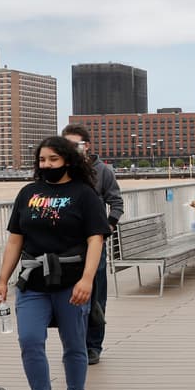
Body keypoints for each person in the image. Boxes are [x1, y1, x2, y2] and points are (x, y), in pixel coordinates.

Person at [0, 136, 110, 390]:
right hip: (33, 282)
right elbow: (15, 240)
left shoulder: (85, 194)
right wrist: (2, 280)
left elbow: (96, 239)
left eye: (53, 160)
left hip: (72, 282)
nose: (46, 165)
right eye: (42, 160)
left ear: (68, 160)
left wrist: (87, 279)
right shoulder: (28, 193)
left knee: (73, 344)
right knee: (30, 340)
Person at [61, 124, 124, 367]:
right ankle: (75, 345)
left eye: (74, 144)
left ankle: (93, 346)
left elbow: (116, 202)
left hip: (94, 244)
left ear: (87, 146)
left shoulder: (102, 172)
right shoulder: (61, 170)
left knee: (96, 295)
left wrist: (107, 228)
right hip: (67, 245)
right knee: (68, 296)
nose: (69, 150)